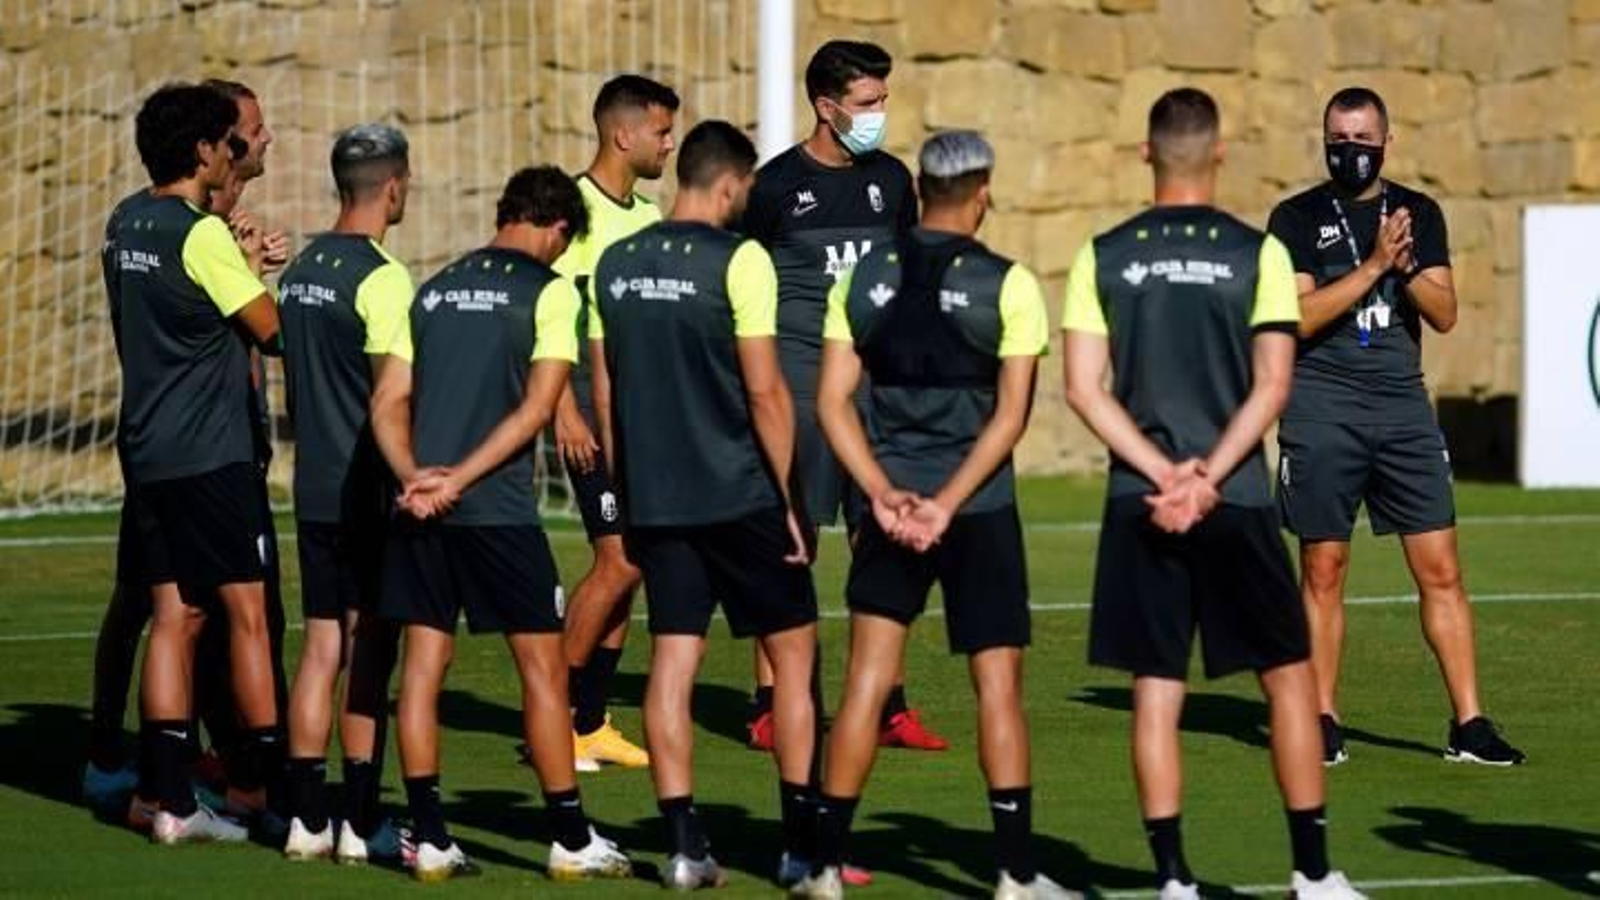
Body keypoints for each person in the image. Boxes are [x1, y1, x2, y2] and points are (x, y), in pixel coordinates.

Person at [1062, 88, 1364, 899]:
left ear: (1146, 154)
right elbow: (1274, 385)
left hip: (1141, 500)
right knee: (1289, 682)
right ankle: (1313, 876)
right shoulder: (1258, 254)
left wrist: (1164, 475)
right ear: (1220, 154)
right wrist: (1207, 474)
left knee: (1156, 692)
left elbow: (1084, 390)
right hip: (1237, 498)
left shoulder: (1102, 254)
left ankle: (1173, 881)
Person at [793, 130, 1071, 900]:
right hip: (977, 511)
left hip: (890, 512)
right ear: (982, 193)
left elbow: (831, 403)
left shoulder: (866, 276)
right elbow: (1009, 418)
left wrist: (883, 493)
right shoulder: (1009, 285)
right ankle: (1015, 875)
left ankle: (824, 867)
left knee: (865, 684)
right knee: (998, 689)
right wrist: (946, 503)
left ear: (918, 189)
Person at [370, 165, 632, 883]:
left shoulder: (431, 289)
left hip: (420, 511)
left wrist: (414, 477)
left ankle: (430, 838)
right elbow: (538, 410)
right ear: (558, 230)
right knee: (543, 673)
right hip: (497, 513)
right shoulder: (551, 291)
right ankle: (570, 839)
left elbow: (387, 402)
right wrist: (458, 481)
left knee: (421, 670)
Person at [1266, 87, 1524, 768]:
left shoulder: (1419, 213)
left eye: (1362, 138)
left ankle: (1469, 724)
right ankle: (1321, 716)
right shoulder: (1295, 218)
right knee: (1324, 567)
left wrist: (1404, 266)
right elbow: (1298, 317)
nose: (1349, 149)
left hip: (1403, 411)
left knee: (1442, 568)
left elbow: (1445, 313)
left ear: (1387, 142)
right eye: (1338, 138)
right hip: (1322, 409)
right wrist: (1374, 265)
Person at [591, 120, 819, 890]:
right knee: (793, 658)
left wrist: (626, 488)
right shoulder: (741, 259)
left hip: (659, 498)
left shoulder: (617, 263)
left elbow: (607, 391)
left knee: (673, 661)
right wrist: (790, 499)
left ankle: (686, 846)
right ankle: (800, 846)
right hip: (740, 491)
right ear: (729, 185)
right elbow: (765, 391)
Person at [84, 78, 287, 818]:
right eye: (230, 141)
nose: (238, 150)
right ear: (204, 150)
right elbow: (272, 331)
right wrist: (253, 271)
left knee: (172, 615)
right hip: (210, 451)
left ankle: (161, 795)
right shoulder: (198, 234)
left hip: (146, 446)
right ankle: (262, 786)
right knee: (249, 615)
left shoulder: (125, 221)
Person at [739, 37, 946, 756]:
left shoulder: (892, 180)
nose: (880, 112)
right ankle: (771, 704)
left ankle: (887, 704)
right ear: (827, 108)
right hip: (799, 388)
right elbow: (745, 285)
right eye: (868, 101)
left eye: (884, 99)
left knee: (884, 537)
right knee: (790, 538)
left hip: (877, 392)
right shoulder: (772, 189)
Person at [277, 123, 412, 863]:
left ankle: (306, 818)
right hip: (367, 491)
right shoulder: (382, 278)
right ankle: (359, 822)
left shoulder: (299, 270)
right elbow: (392, 398)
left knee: (320, 643)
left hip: (313, 488)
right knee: (370, 651)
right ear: (393, 187)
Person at [545, 74, 678, 774]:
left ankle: (590, 722)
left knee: (635, 564)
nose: (669, 144)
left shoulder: (648, 216)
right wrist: (564, 409)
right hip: (586, 410)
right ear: (623, 135)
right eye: (662, 131)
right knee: (617, 559)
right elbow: (545, 317)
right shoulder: (573, 211)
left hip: (639, 417)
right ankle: (552, 719)